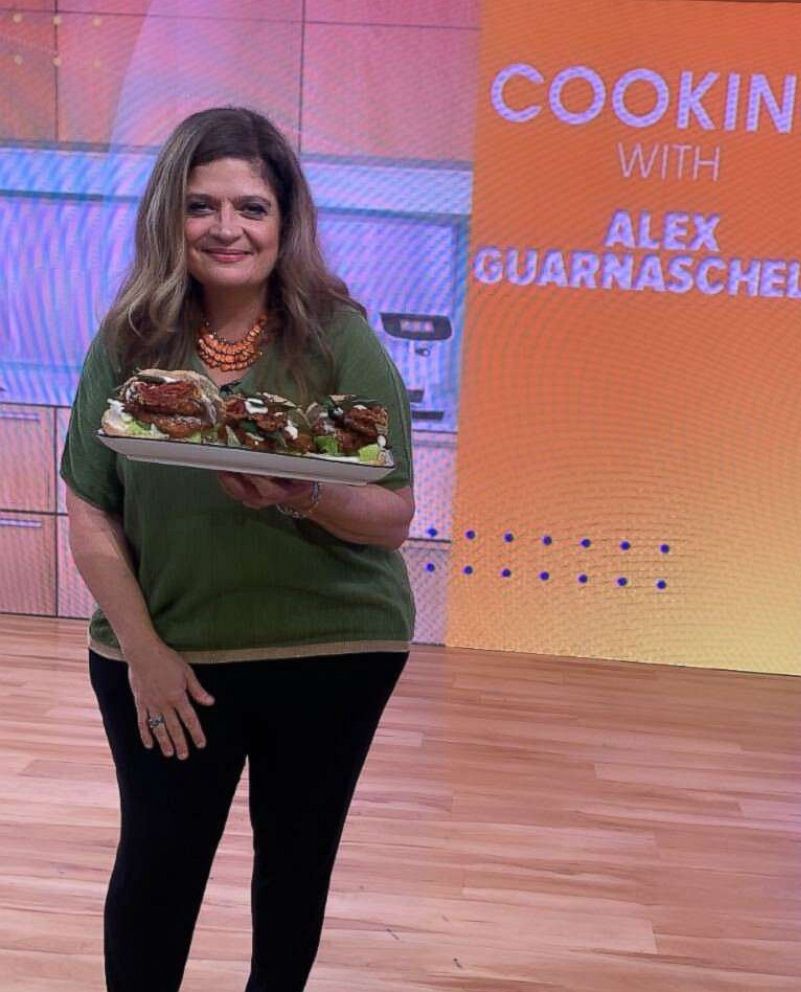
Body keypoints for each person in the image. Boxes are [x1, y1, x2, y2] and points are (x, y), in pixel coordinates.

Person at [60, 106, 415, 992]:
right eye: (201, 205)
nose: (227, 229)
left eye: (252, 207)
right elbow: (91, 510)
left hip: (331, 645)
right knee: (157, 869)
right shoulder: (128, 344)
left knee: (295, 867)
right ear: (168, 218)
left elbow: (392, 513)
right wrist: (141, 652)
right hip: (170, 657)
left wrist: (302, 494)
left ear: (284, 222)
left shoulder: (340, 339)